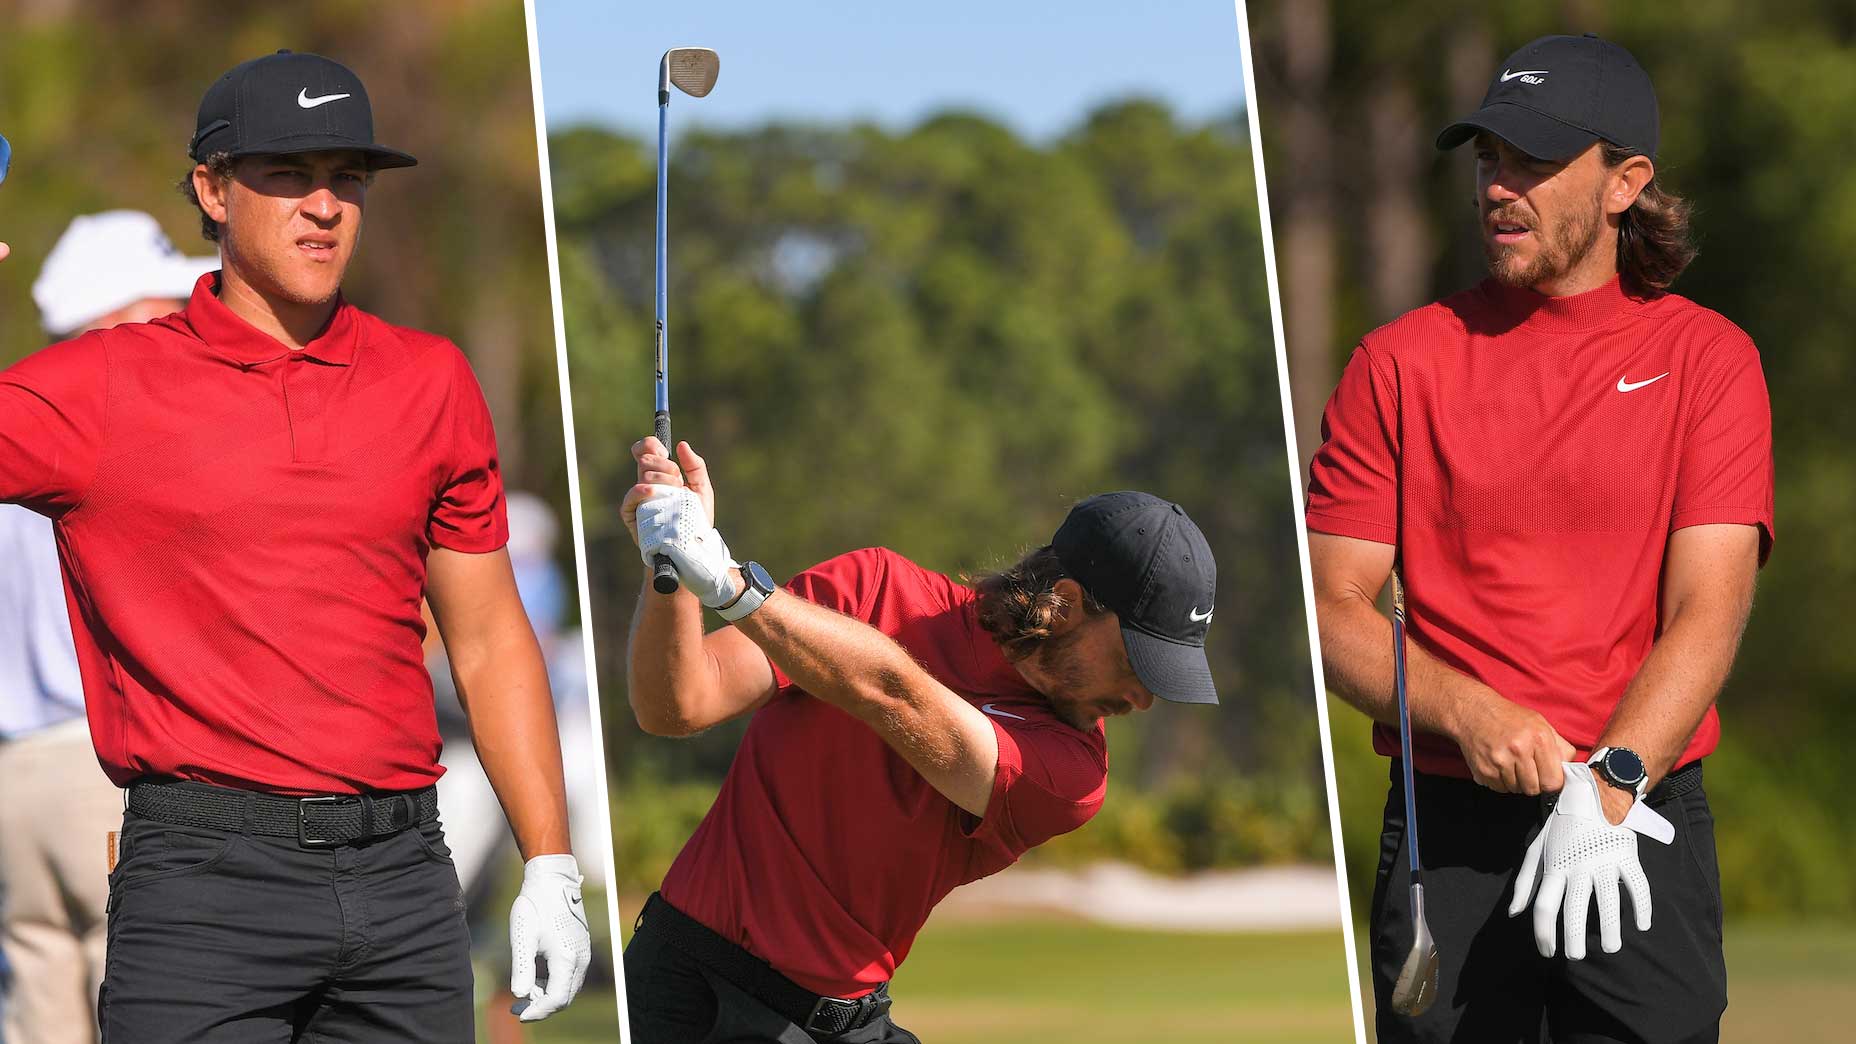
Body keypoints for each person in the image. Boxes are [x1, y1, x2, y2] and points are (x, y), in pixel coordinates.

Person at [0, 51, 591, 1041]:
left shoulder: (430, 380)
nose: (324, 205)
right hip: (203, 885)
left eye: (346, 178)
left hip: (407, 878)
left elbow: (488, 639)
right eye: (286, 174)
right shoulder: (96, 386)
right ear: (212, 190)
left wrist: (552, 862)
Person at [1305, 34, 1771, 1044]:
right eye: (1486, 160)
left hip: (1634, 806)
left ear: (1623, 184)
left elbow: (1708, 609)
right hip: (1449, 826)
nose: (1497, 188)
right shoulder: (1396, 363)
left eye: (1531, 162)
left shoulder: (1707, 360)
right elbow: (1329, 610)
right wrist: (1466, 713)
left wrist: (1610, 778)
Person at [619, 436, 1220, 1042]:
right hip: (685, 993)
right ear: (1063, 606)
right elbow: (675, 705)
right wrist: (668, 558)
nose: (1142, 700)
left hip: (834, 1022)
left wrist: (734, 588)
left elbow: (894, 697)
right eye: (1135, 664)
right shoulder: (876, 587)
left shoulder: (1074, 771)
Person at [0, 211, 215, 1044]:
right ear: (113, 317)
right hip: (106, 772)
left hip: (13, 780)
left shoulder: (16, 415)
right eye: (162, 302)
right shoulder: (123, 428)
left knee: (40, 1012)